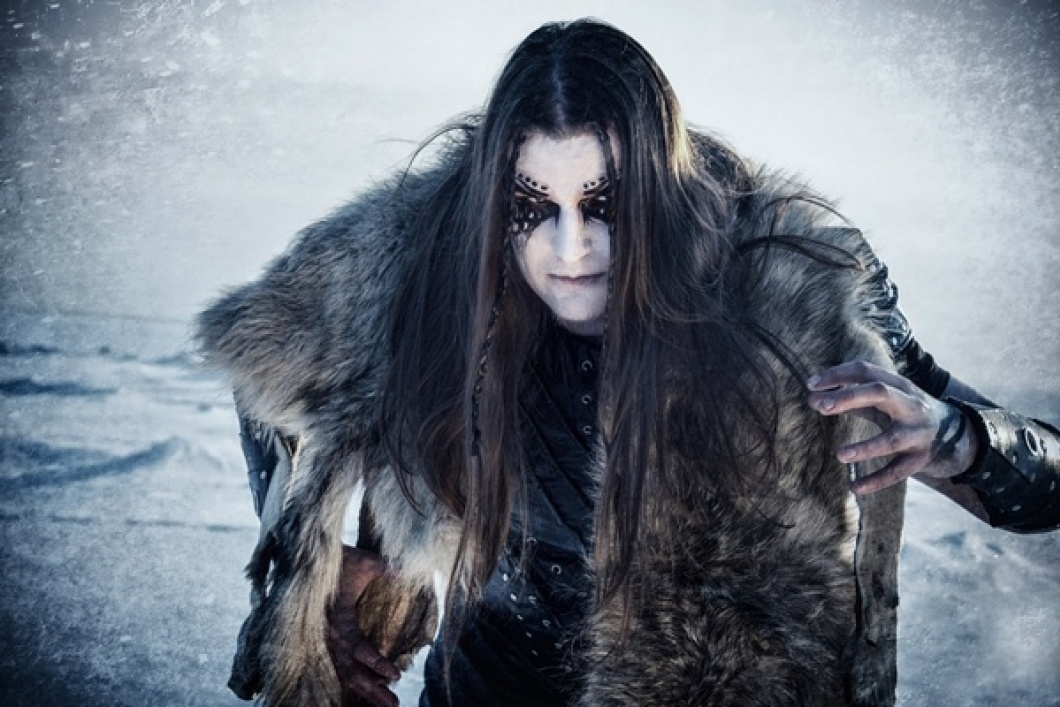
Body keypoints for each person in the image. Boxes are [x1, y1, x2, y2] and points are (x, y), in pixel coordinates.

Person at [197, 19, 1060, 707]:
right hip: (485, 684)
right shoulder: (427, 255)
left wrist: (957, 438)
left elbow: (1047, 485)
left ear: (658, 187)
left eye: (605, 203)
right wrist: (330, 556)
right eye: (533, 205)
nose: (571, 248)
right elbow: (264, 370)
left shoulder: (785, 281)